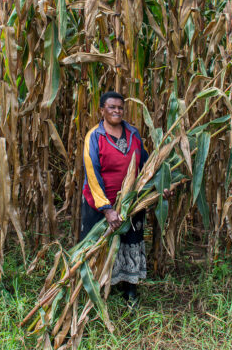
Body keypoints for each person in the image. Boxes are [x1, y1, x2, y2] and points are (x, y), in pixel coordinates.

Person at [80, 91, 149, 305]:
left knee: (131, 241)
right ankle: (95, 291)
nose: (116, 111)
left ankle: (130, 291)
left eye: (120, 107)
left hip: (130, 202)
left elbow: (146, 164)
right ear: (102, 110)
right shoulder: (94, 136)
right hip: (101, 203)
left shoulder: (133, 134)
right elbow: (92, 174)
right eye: (111, 107)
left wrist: (161, 185)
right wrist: (107, 209)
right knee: (98, 244)